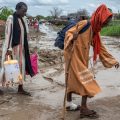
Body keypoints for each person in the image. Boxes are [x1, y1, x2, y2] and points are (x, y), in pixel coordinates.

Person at [64, 4, 119, 118]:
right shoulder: (85, 24)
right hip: (73, 56)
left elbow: (101, 49)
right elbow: (68, 33)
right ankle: (83, 108)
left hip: (82, 57)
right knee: (86, 79)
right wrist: (72, 37)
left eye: (107, 23)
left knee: (71, 79)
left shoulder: (95, 30)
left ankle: (69, 104)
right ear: (100, 17)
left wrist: (113, 61)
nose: (106, 24)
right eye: (105, 22)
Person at [0, 2, 35, 95]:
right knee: (6, 67)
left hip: (21, 49)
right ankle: (0, 86)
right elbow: (8, 34)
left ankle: (20, 88)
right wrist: (8, 48)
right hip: (12, 48)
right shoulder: (11, 19)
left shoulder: (22, 19)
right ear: (18, 9)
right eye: (24, 11)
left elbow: (25, 34)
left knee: (21, 67)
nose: (25, 13)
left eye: (26, 11)